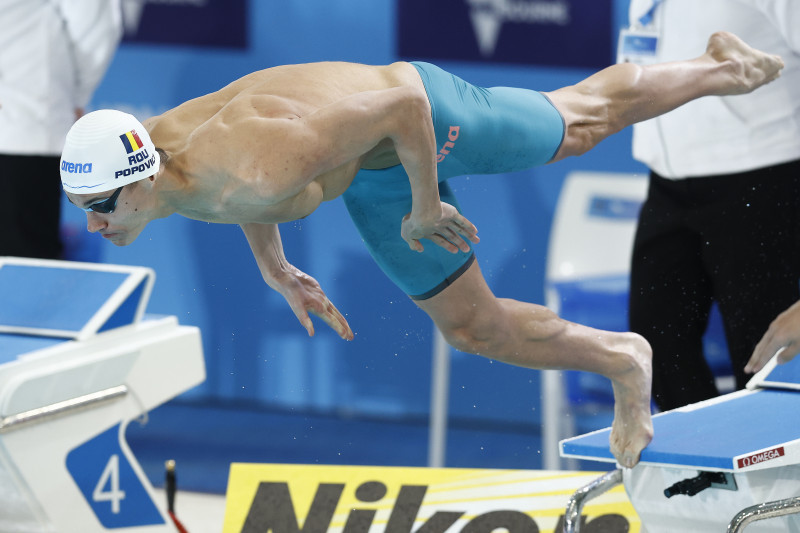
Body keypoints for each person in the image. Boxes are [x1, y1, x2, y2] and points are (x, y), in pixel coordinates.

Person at [58, 31, 783, 468]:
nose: (93, 227)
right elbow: (238, 199)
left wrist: (428, 206)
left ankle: (718, 67)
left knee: (581, 122)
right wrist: (275, 266)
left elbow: (395, 114)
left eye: (98, 209)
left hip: (418, 117)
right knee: (472, 329)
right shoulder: (169, 163)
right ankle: (627, 358)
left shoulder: (251, 161)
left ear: (138, 179)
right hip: (371, 172)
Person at [624, 0, 800, 411]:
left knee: (763, 357)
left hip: (762, 177)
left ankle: (780, 473)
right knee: (656, 345)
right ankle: (700, 469)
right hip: (667, 183)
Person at [0, 0, 122, 259]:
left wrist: (74, 97)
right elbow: (94, 27)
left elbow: (92, 23)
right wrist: (76, 97)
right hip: (27, 123)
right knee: (26, 269)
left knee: (25, 268)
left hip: (23, 130)